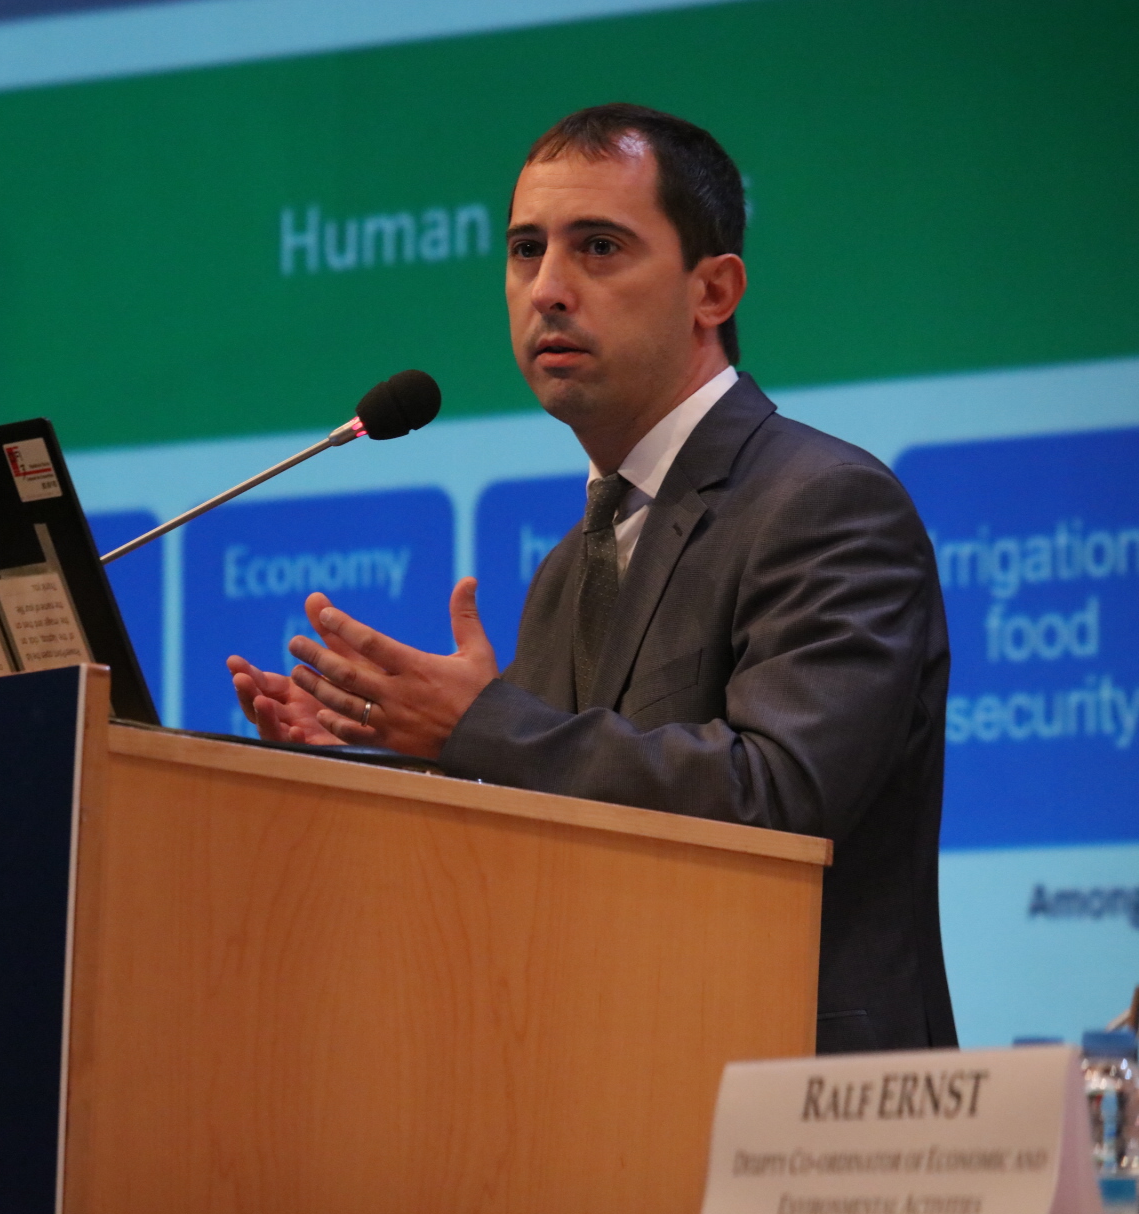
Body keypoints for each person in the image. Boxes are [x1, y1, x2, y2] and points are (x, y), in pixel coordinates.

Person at [227, 103, 956, 1054]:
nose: (548, 289)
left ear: (713, 291)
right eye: (525, 250)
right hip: (603, 1084)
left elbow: (779, 801)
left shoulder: (824, 504)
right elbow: (547, 841)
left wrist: (479, 727)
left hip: (800, 1093)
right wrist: (391, 771)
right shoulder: (568, 568)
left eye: (599, 247)